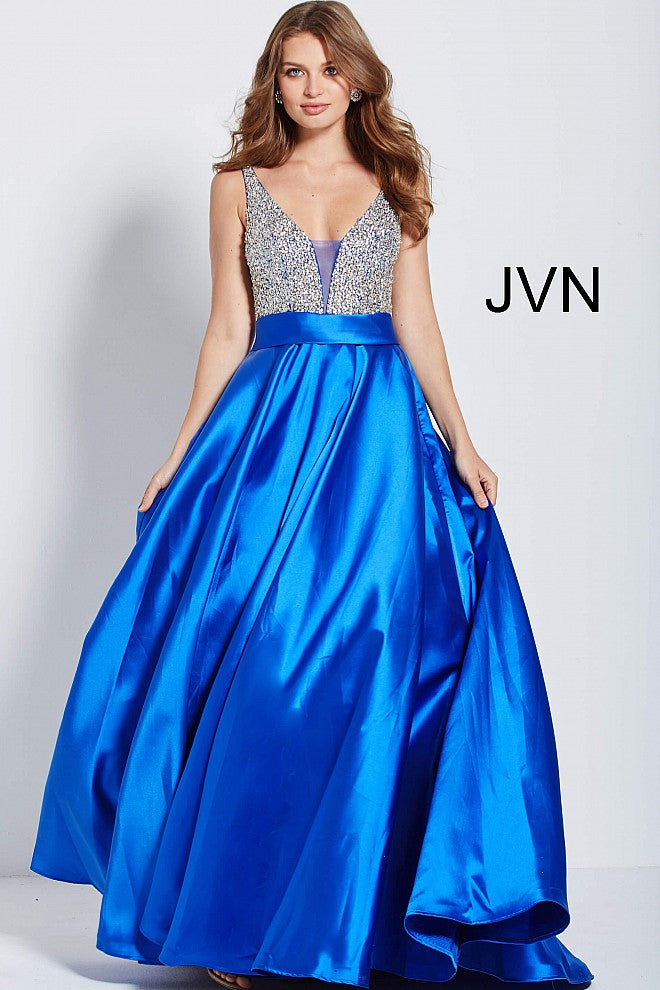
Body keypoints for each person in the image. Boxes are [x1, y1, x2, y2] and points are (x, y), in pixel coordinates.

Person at [30, 3, 595, 989]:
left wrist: (463, 441)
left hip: (378, 442)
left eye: (329, 69)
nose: (311, 87)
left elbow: (418, 323)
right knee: (256, 662)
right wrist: (180, 451)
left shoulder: (398, 180)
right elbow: (227, 329)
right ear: (275, 82)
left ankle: (349, 920)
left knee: (368, 666)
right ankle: (227, 923)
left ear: (359, 78)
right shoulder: (236, 186)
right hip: (267, 430)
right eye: (294, 71)